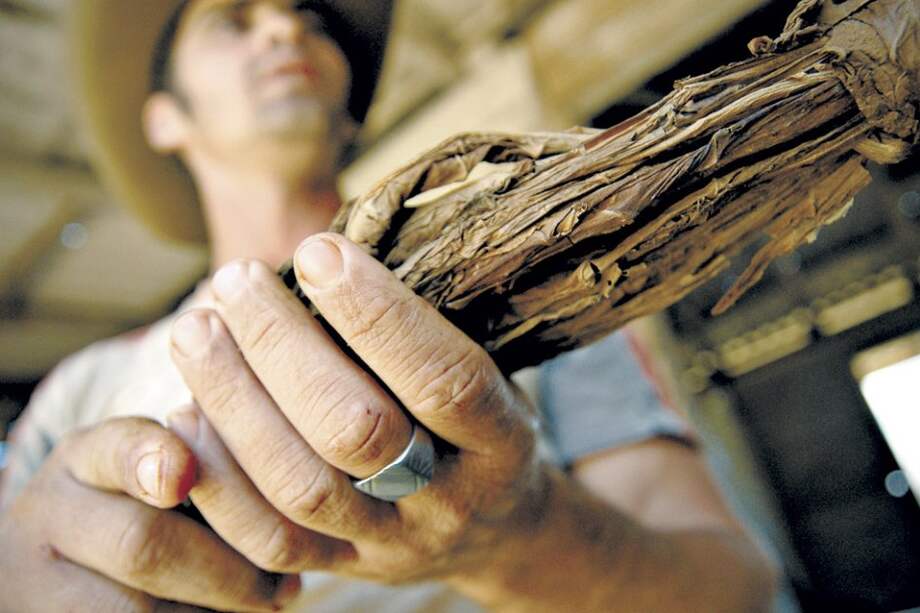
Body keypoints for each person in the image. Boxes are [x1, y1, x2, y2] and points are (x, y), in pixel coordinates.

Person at [0, 1, 777, 611]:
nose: (282, 27)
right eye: (233, 18)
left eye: (310, 20)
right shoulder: (81, 390)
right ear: (166, 117)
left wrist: (514, 542)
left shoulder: (540, 292)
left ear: (346, 105)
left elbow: (736, 589)